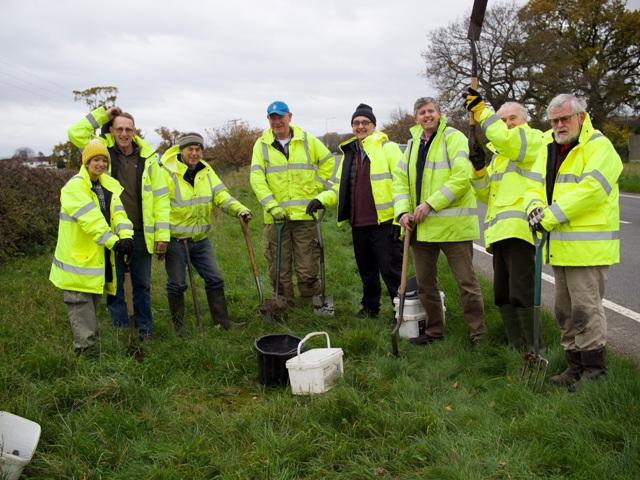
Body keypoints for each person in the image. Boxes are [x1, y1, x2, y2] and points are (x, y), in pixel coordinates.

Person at [526, 93, 622, 387]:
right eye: (554, 120)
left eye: (564, 118)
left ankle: (595, 373)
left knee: (586, 311)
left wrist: (549, 216)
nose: (559, 125)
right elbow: (532, 185)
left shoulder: (599, 147)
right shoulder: (548, 147)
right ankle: (574, 367)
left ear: (581, 116)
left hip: (588, 248)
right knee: (564, 312)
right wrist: (532, 209)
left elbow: (592, 190)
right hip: (559, 247)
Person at [68, 106, 170, 340]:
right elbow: (75, 132)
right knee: (114, 285)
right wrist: (103, 114)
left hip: (142, 230)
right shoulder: (102, 152)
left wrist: (162, 234)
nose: (124, 133)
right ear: (111, 131)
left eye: (129, 129)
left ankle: (145, 329)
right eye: (119, 129)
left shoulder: (150, 159)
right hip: (112, 232)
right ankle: (122, 329)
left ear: (135, 132)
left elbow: (161, 198)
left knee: (142, 284)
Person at [393, 97, 486, 345]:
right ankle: (434, 331)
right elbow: (400, 181)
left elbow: (462, 177)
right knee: (425, 285)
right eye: (422, 112)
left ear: (439, 114)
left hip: (454, 228)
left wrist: (431, 203)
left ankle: (478, 334)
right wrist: (402, 212)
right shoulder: (412, 144)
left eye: (431, 111)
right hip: (421, 228)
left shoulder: (453, 138)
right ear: (416, 118)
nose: (427, 115)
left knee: (466, 283)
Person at [463, 90, 545, 349]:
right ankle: (515, 345)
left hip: (521, 230)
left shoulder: (533, 139)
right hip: (499, 234)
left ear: (525, 120)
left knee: (521, 292)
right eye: (504, 120)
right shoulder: (500, 156)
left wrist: (482, 111)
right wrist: (478, 170)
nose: (508, 124)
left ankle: (535, 346)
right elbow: (486, 194)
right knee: (502, 294)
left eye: (512, 119)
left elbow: (507, 139)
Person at [159, 133, 251, 334]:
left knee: (215, 278)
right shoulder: (166, 173)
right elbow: (159, 207)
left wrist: (239, 209)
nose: (194, 153)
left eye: (198, 149)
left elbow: (221, 196)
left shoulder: (206, 170)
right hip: (175, 240)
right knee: (177, 284)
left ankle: (222, 321)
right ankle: (179, 329)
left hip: (200, 239)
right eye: (190, 149)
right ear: (181, 150)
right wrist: (162, 238)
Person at [50, 141, 134, 355]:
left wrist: (126, 236)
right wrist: (114, 241)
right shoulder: (74, 187)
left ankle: (90, 345)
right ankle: (85, 351)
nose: (100, 164)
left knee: (92, 302)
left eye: (104, 160)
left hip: (97, 254)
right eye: (96, 159)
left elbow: (119, 215)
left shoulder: (107, 185)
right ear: (86, 162)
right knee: (80, 303)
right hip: (76, 259)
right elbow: (91, 220)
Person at [250, 100, 337, 306]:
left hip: (304, 216)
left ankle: (312, 305)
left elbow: (329, 163)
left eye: (281, 117)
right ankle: (283, 304)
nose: (277, 121)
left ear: (290, 116)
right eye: (273, 118)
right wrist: (272, 206)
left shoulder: (308, 140)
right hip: (276, 219)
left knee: (307, 266)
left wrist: (317, 188)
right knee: (278, 265)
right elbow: (256, 179)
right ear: (268, 120)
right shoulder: (261, 145)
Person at [335, 103, 403, 318]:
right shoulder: (350, 154)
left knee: (391, 271)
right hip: (358, 224)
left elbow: (403, 184)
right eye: (356, 123)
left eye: (365, 122)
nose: (360, 126)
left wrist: (399, 219)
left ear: (374, 126)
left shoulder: (387, 148)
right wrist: (320, 200)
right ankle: (370, 307)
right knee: (367, 271)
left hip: (384, 223)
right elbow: (337, 187)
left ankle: (401, 312)